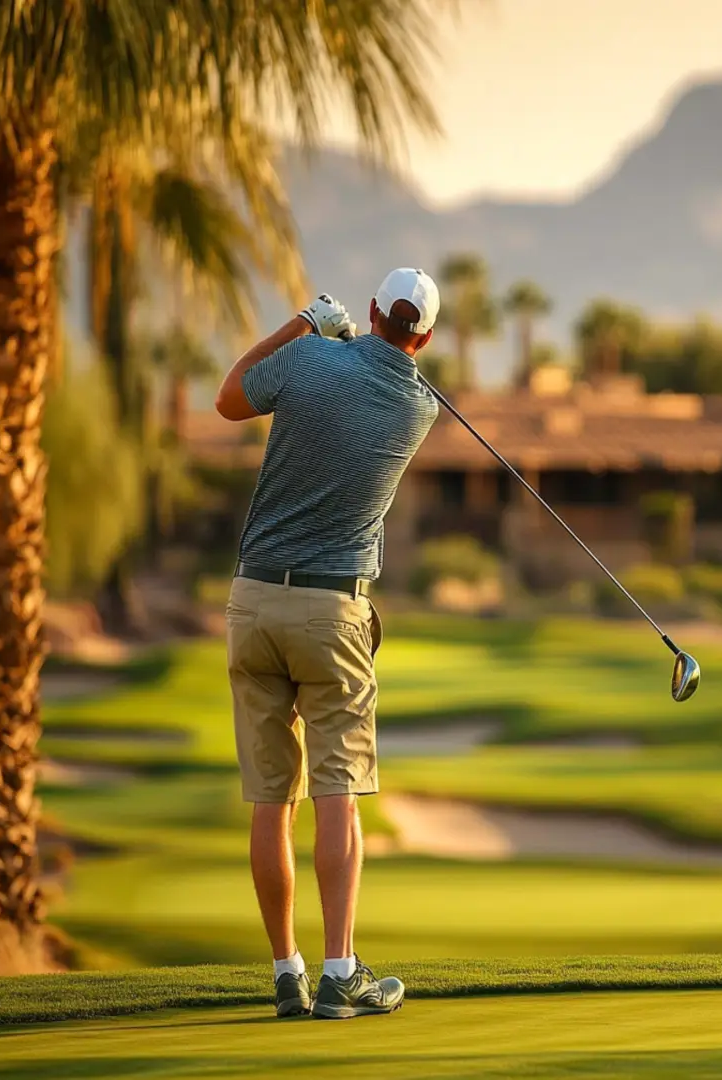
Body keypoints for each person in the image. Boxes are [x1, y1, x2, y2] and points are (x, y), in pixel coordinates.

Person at [214, 268, 441, 1019]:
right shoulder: (419, 407)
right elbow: (377, 377)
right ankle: (342, 973)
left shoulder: (311, 357)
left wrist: (306, 324)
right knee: (336, 794)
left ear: (372, 310)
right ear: (427, 337)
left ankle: (288, 973)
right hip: (332, 612)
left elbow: (230, 396)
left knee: (269, 799)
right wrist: (354, 347)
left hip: (253, 601)